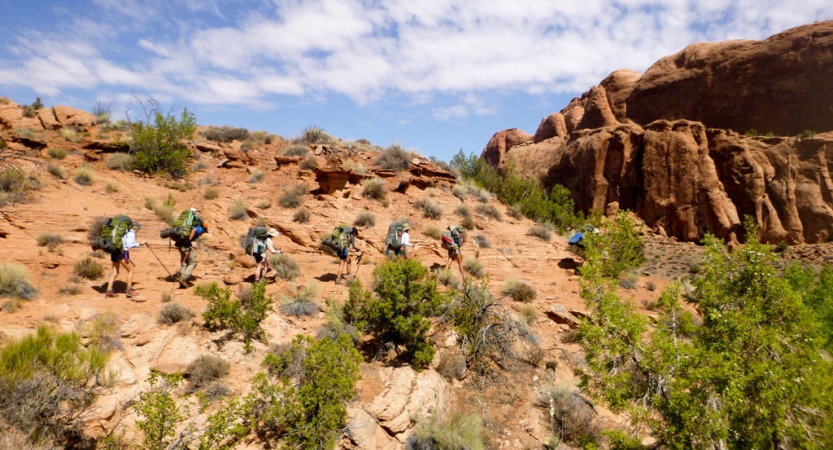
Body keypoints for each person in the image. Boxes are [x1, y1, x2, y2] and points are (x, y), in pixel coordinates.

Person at [104, 222, 145, 301]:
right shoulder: (131, 233)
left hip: (114, 252)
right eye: (138, 228)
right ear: (135, 228)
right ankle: (129, 290)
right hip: (121, 253)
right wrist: (140, 244)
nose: (138, 230)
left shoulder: (124, 232)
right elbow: (129, 245)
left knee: (115, 273)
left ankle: (109, 291)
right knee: (131, 270)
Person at [175, 218, 207, 289]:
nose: (203, 233)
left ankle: (182, 280)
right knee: (193, 262)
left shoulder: (188, 229)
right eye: (205, 232)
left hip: (181, 245)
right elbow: (194, 230)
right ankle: (183, 278)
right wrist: (189, 240)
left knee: (184, 263)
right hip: (186, 246)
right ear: (204, 229)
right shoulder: (199, 229)